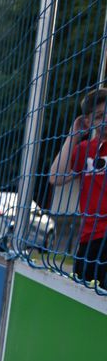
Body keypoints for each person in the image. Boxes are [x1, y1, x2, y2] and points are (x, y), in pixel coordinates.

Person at [49, 88, 107, 285]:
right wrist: (74, 134)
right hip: (90, 239)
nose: (106, 120)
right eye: (100, 116)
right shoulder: (85, 149)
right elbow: (55, 177)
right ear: (89, 122)